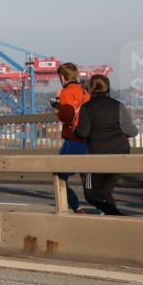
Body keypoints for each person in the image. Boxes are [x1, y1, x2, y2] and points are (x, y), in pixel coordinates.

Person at [74, 74, 138, 215]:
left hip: (97, 157)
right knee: (105, 191)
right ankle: (116, 220)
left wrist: (75, 128)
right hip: (121, 154)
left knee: (90, 194)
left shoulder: (87, 108)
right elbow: (132, 131)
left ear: (90, 88)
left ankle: (118, 217)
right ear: (108, 87)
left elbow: (82, 133)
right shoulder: (118, 105)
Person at [52, 62, 91, 213]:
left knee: (59, 176)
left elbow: (67, 116)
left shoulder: (65, 92)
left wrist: (57, 109)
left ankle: (76, 207)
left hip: (72, 139)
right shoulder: (85, 92)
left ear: (62, 77)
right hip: (87, 141)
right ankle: (100, 207)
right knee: (87, 178)